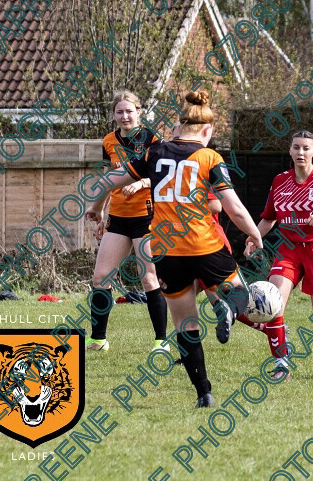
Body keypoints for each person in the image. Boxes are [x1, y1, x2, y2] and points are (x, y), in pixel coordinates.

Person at [86, 90, 263, 408]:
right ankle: (229, 308)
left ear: (178, 127)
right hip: (203, 244)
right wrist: (254, 235)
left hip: (167, 251)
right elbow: (232, 208)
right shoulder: (209, 157)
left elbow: (112, 179)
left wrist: (98, 206)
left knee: (185, 326)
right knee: (241, 296)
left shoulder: (156, 152)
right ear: (207, 131)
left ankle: (203, 393)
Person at [246, 131, 313, 380]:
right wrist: (254, 238)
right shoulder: (280, 181)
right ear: (290, 151)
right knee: (273, 305)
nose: (301, 153)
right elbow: (269, 217)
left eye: (306, 148)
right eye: (296, 147)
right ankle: (282, 365)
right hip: (289, 248)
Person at [84, 91, 169, 354]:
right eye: (119, 112)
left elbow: (165, 175)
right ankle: (98, 339)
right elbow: (111, 180)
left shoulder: (153, 138)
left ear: (139, 112)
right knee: (101, 277)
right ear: (113, 115)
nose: (125, 116)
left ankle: (160, 341)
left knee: (148, 279)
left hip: (146, 215)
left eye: (129, 111)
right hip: (118, 217)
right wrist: (103, 214)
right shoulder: (109, 141)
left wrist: (142, 182)